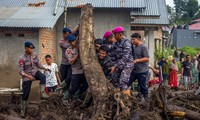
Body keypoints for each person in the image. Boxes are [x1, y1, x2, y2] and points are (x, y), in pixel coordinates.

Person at [18, 42, 50, 117]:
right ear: (26, 48)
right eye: (30, 48)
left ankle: (42, 93)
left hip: (34, 72)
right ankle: (22, 111)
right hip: (26, 75)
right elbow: (21, 71)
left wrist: (45, 68)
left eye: (32, 48)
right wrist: (29, 77)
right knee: (25, 94)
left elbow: (38, 64)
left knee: (43, 76)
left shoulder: (34, 55)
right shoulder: (22, 58)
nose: (31, 49)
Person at [62, 35, 88, 103]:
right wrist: (78, 54)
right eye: (73, 41)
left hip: (84, 70)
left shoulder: (80, 47)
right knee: (73, 87)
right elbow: (71, 61)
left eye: (75, 41)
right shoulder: (69, 50)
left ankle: (76, 97)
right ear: (70, 42)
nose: (75, 42)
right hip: (76, 71)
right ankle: (64, 99)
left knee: (85, 85)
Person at [109, 26, 134, 96]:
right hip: (119, 65)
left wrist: (115, 66)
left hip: (127, 65)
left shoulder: (127, 42)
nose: (114, 36)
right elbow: (111, 51)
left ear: (120, 34)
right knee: (115, 80)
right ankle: (118, 97)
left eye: (115, 35)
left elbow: (125, 57)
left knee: (123, 81)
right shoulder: (116, 43)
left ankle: (126, 100)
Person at [129, 33, 149, 100]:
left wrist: (137, 60)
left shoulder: (143, 47)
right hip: (134, 70)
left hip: (142, 71)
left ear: (138, 39)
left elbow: (147, 58)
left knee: (142, 86)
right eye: (132, 39)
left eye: (134, 39)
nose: (132, 41)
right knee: (127, 82)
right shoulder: (134, 47)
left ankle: (147, 100)